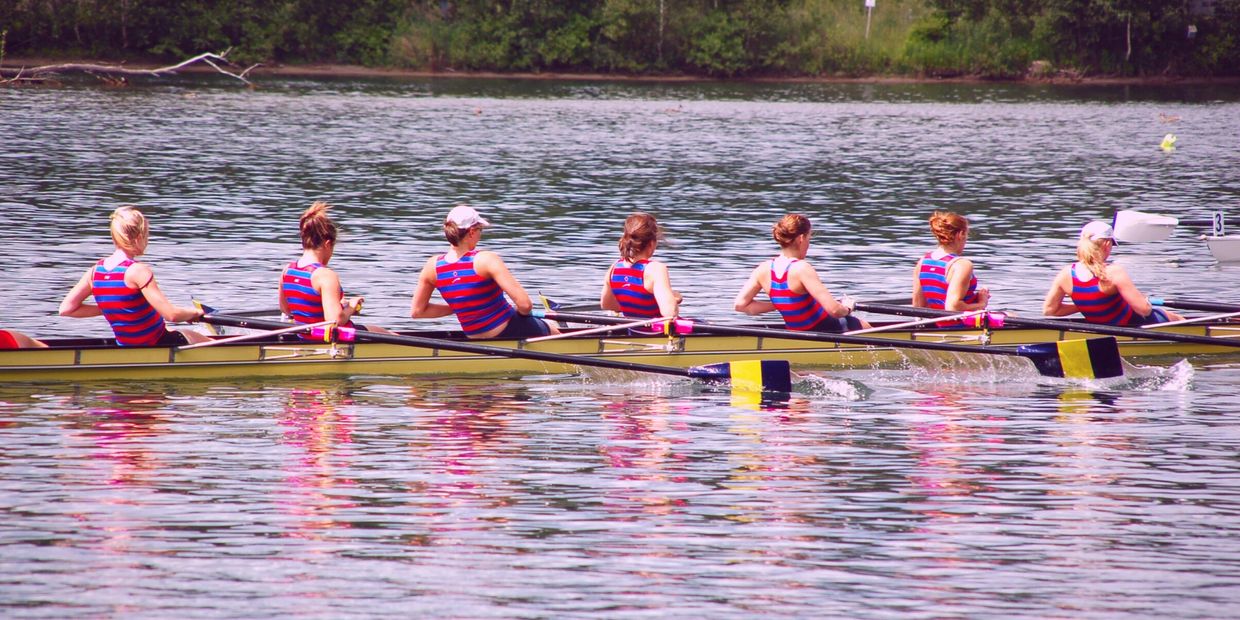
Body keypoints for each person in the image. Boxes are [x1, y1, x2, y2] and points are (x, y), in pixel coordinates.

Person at [59, 206, 210, 346]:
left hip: (126, 345)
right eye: (147, 235)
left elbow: (67, 309)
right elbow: (172, 315)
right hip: (156, 343)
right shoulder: (138, 271)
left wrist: (113, 307)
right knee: (196, 337)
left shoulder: (94, 272)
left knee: (171, 330)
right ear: (139, 237)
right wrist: (196, 312)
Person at [411, 205, 560, 339]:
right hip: (508, 328)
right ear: (471, 232)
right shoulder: (485, 260)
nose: (480, 235)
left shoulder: (432, 266)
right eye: (480, 230)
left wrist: (460, 306)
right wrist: (523, 315)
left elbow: (418, 312)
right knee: (555, 332)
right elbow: (525, 304)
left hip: (473, 336)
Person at [734, 213, 870, 332]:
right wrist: (847, 308)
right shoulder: (802, 268)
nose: (809, 243)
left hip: (796, 332)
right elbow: (834, 310)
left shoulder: (762, 269)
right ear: (801, 239)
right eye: (809, 238)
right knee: (867, 327)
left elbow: (741, 305)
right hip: (829, 328)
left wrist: (781, 304)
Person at [279, 202, 391, 337]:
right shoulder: (325, 275)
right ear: (327, 244)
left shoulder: (287, 270)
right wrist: (351, 307)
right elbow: (335, 320)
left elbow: (286, 309)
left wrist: (338, 306)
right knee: (392, 336)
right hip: (332, 340)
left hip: (304, 337)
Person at [1043, 220, 1185, 325]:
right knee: (1178, 319)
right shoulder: (1114, 272)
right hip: (1133, 324)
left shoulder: (1066, 274)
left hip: (1101, 327)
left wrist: (1086, 305)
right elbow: (1144, 310)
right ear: (1106, 244)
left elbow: (1050, 311)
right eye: (1112, 244)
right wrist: (1144, 301)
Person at [600, 213, 682, 333]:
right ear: (651, 244)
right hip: (656, 334)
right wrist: (675, 299)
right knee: (706, 324)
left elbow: (607, 305)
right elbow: (670, 313)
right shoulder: (655, 269)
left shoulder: (614, 269)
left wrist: (635, 301)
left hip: (633, 331)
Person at [912, 211, 990, 325]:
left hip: (937, 326)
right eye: (967, 235)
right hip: (959, 328)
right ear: (960, 234)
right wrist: (981, 304)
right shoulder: (961, 265)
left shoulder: (922, 262)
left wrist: (972, 299)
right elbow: (952, 308)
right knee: (1011, 316)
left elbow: (919, 306)